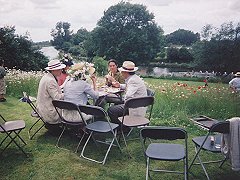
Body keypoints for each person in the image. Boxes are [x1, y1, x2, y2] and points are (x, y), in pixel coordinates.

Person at [107, 61, 147, 126]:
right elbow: (129, 87)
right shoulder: (133, 78)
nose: (121, 73)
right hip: (137, 103)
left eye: (122, 71)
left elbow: (128, 96)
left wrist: (121, 99)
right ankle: (121, 122)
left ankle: (122, 128)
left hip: (135, 107)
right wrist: (119, 85)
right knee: (117, 103)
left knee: (111, 110)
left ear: (126, 72)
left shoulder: (133, 80)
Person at [36, 59, 65, 132]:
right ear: (53, 70)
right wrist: (68, 93)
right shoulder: (50, 80)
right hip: (48, 110)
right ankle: (75, 126)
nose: (61, 70)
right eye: (59, 69)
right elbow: (57, 98)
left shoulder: (47, 76)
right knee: (70, 107)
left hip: (43, 106)